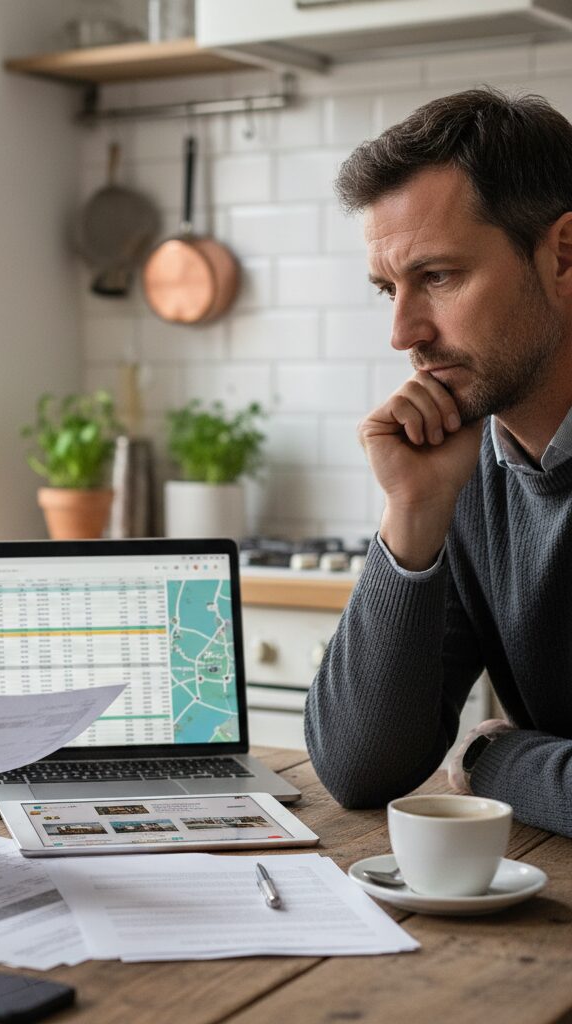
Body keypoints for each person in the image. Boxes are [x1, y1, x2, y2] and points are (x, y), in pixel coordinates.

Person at [304, 87, 572, 838]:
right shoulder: (469, 467)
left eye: (439, 277)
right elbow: (361, 768)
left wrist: (494, 761)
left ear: (563, 254)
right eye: (389, 289)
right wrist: (413, 513)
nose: (403, 332)